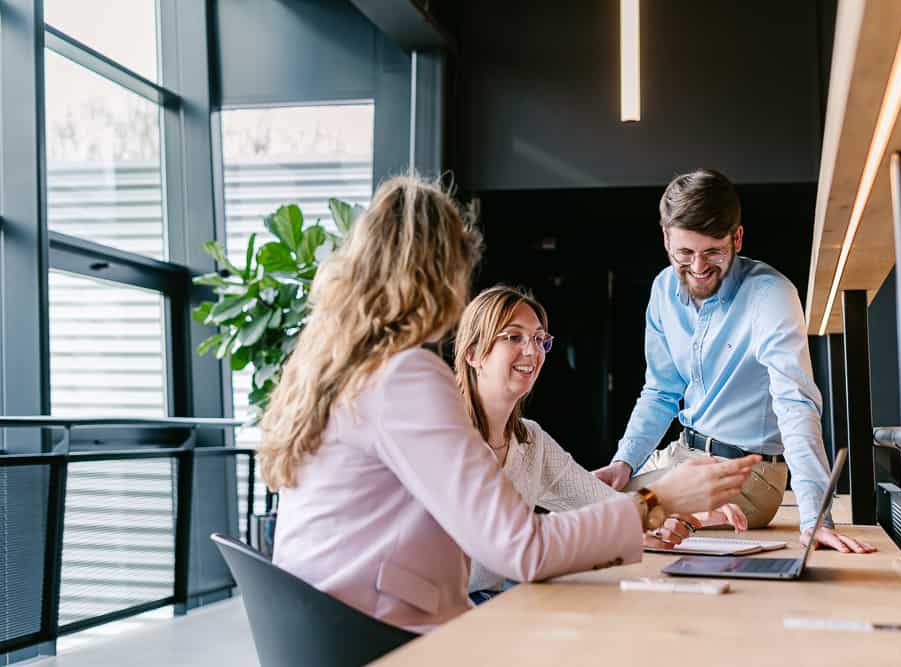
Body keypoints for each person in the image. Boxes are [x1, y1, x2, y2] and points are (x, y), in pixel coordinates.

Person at [259, 174, 759, 634]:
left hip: (328, 634)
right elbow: (522, 548)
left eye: (537, 339)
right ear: (444, 273)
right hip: (386, 639)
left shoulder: (345, 370)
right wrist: (658, 500)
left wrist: (663, 510)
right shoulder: (405, 376)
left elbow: (561, 520)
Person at [593, 168, 875, 554]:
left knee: (626, 520)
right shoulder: (662, 290)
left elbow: (795, 403)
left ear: (737, 237)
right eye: (685, 254)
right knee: (594, 506)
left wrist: (814, 518)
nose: (698, 268)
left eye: (712, 252)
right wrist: (623, 462)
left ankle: (689, 516)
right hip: (682, 457)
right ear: (666, 240)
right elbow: (660, 391)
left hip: (747, 472)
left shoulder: (771, 295)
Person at [454, 285, 747, 603]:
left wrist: (684, 508)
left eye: (540, 339)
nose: (532, 351)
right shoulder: (450, 438)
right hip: (455, 611)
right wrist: (660, 504)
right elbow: (512, 548)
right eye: (514, 337)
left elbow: (601, 503)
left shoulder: (529, 439)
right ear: (473, 354)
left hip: (498, 597)